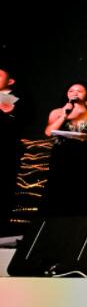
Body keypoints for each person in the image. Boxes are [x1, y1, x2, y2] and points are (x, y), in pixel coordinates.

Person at [42, 82, 87, 214]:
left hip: (85, 155)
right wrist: (64, 115)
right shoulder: (56, 112)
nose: (75, 93)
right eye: (71, 91)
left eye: (79, 91)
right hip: (61, 154)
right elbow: (48, 132)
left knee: (84, 187)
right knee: (59, 187)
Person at [0, 66, 22, 233]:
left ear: (10, 81)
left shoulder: (19, 100)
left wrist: (11, 112)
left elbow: (26, 120)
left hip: (6, 153)